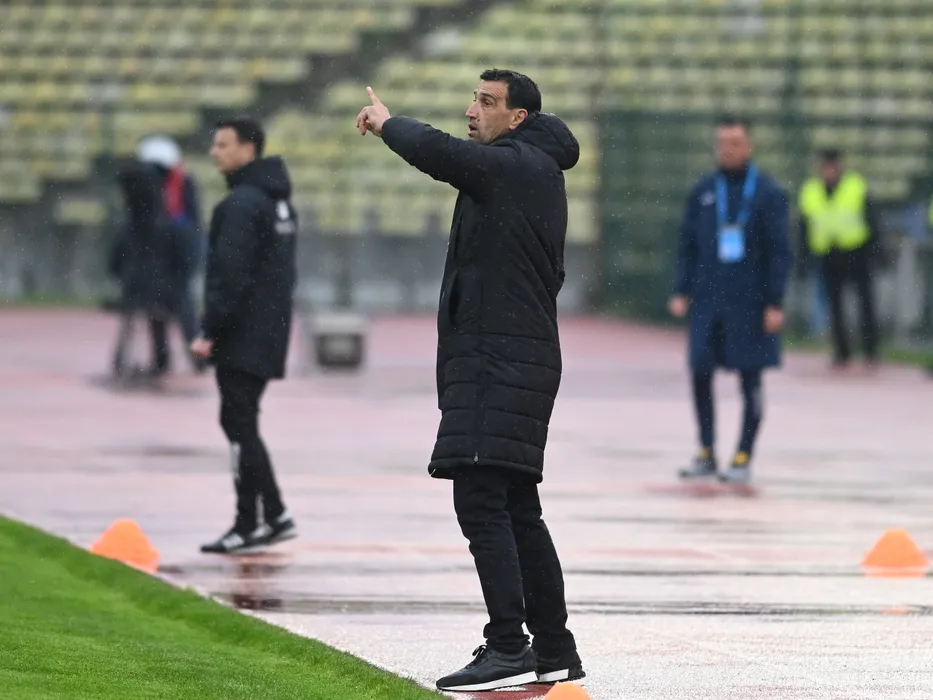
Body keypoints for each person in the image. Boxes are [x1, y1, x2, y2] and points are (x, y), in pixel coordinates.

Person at [356, 70, 584, 692]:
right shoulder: (529, 165)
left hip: (499, 360)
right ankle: (555, 649)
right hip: (511, 356)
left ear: (518, 118)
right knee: (517, 508)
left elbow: (443, 155)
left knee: (481, 501)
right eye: (473, 99)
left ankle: (509, 644)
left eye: (487, 102)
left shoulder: (516, 165)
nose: (471, 111)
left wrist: (389, 124)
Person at [193, 117, 298, 555]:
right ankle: (274, 514)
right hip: (269, 328)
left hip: (243, 333)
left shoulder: (240, 205)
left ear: (248, 149)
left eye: (223, 145)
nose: (214, 152)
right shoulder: (278, 202)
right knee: (243, 421)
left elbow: (229, 276)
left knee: (238, 423)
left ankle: (247, 522)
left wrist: (210, 329)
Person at [669, 115, 792, 485]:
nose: (728, 150)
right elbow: (687, 244)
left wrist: (774, 301)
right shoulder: (704, 189)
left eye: (735, 143)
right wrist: (681, 289)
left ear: (749, 146)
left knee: (750, 378)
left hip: (750, 302)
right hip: (709, 300)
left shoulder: (767, 192)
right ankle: (706, 450)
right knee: (700, 371)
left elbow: (780, 251)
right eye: (722, 143)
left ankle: (743, 454)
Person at [798, 148, 883, 369]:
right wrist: (803, 259)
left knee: (865, 303)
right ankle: (842, 351)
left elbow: (872, 219)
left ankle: (870, 349)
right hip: (828, 253)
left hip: (856, 251)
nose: (829, 171)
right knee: (835, 305)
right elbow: (804, 227)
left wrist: (877, 250)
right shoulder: (810, 191)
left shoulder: (855, 186)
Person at [108, 161, 188, 381]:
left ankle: (123, 361)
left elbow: (116, 258)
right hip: (158, 281)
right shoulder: (164, 223)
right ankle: (159, 360)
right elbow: (180, 258)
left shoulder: (133, 226)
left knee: (134, 323)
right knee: (156, 322)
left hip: (139, 280)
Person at [136, 135, 207, 373]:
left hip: (181, 254)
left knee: (184, 305)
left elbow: (192, 222)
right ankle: (161, 358)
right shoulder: (145, 188)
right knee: (155, 305)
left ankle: (198, 357)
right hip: (156, 256)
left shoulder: (184, 183)